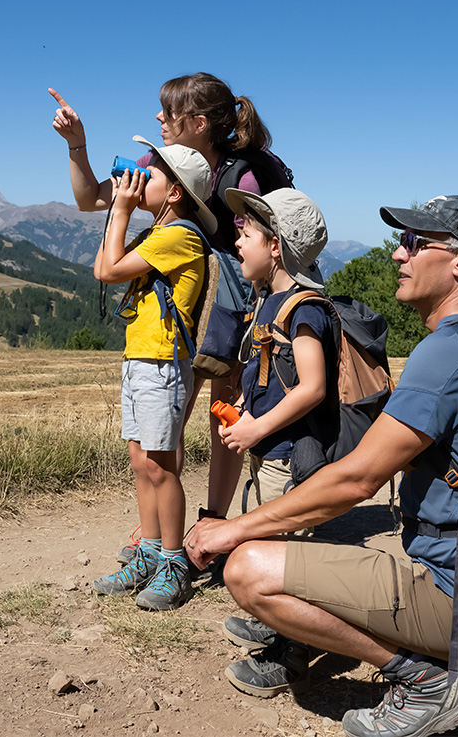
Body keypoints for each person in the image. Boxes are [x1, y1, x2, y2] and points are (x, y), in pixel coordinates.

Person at [187, 195, 458, 737]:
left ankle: (426, 681)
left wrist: (232, 530)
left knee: (247, 570)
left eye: (415, 243)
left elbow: (356, 480)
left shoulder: (445, 355)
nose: (398, 254)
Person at [49, 74, 292, 524]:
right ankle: (162, 529)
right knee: (170, 417)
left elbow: (271, 247)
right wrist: (76, 145)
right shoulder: (159, 162)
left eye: (169, 111)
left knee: (224, 415)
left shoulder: (244, 175)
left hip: (234, 306)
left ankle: (211, 522)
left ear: (199, 123)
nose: (159, 117)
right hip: (186, 303)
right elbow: (90, 199)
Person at [91, 137, 218, 610]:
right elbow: (105, 266)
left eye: (152, 173)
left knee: (162, 467)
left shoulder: (181, 235)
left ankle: (173, 563)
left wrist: (122, 208)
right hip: (141, 358)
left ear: (175, 193)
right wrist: (120, 211)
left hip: (163, 362)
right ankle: (147, 552)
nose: (140, 176)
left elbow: (109, 272)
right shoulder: (155, 233)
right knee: (141, 463)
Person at [219, 186, 334, 511]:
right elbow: (266, 369)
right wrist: (243, 408)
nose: (238, 241)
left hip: (286, 457)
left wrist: (256, 429)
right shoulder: (269, 300)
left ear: (274, 247)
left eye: (247, 235)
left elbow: (313, 388)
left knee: (281, 538)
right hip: (266, 449)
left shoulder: (304, 309)